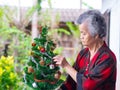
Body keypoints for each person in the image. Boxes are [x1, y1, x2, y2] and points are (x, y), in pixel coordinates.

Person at [53, 10, 117, 90]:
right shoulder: (83, 54)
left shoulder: (107, 58)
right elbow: (71, 83)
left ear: (96, 34)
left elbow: (88, 85)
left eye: (84, 33)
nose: (81, 37)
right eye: (80, 33)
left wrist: (66, 66)